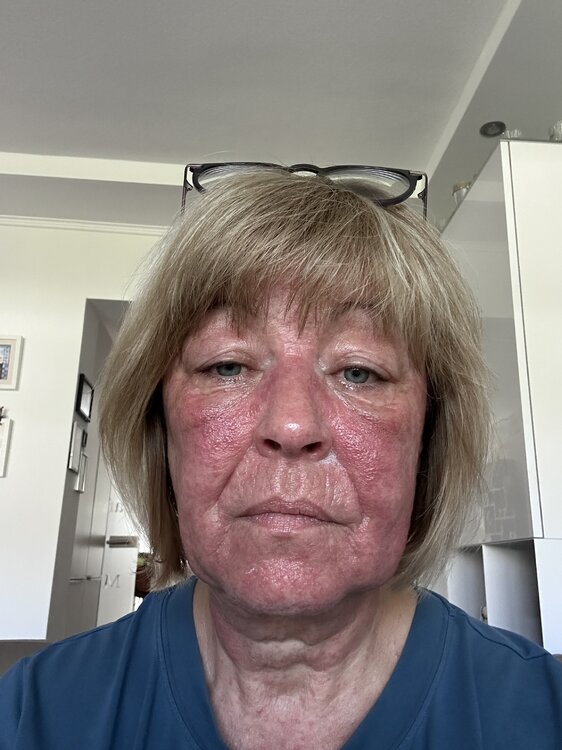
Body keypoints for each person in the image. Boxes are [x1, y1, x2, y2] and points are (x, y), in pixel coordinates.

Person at [1, 163, 562, 749]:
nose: (292, 425)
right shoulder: (34, 716)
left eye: (359, 372)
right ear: (159, 429)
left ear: (429, 439)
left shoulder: (542, 718)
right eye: (227, 366)